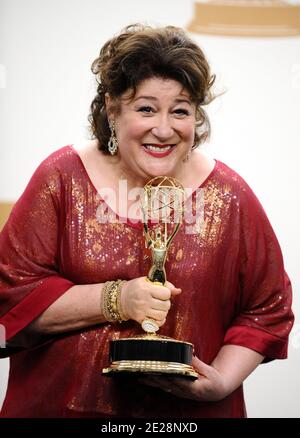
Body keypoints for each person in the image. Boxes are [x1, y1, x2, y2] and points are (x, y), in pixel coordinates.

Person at [0, 24, 294, 418]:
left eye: (180, 111)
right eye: (145, 108)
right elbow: (12, 297)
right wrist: (118, 299)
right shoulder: (62, 178)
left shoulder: (230, 195)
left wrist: (222, 381)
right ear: (111, 109)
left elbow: (268, 308)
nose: (163, 129)